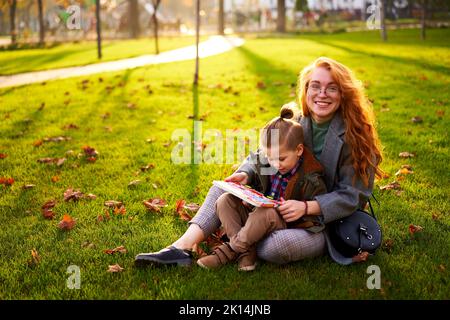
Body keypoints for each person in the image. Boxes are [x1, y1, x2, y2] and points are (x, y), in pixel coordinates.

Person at [134, 56, 383, 267]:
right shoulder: (295, 121)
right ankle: (181, 248)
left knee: (274, 249)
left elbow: (353, 195)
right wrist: (245, 173)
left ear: (343, 92)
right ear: (305, 90)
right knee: (223, 187)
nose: (321, 94)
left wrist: (307, 207)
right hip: (276, 205)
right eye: (314, 86)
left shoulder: (356, 134)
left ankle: (243, 243)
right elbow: (261, 155)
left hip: (318, 223)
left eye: (331, 88)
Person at [196, 105, 327, 271]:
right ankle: (247, 253)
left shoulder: (311, 178)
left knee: (265, 214)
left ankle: (229, 251)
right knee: (224, 201)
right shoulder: (267, 162)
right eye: (271, 158)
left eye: (281, 158)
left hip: (285, 224)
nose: (276, 164)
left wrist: (303, 209)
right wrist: (245, 183)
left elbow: (319, 214)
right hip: (257, 216)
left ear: (299, 150)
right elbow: (255, 169)